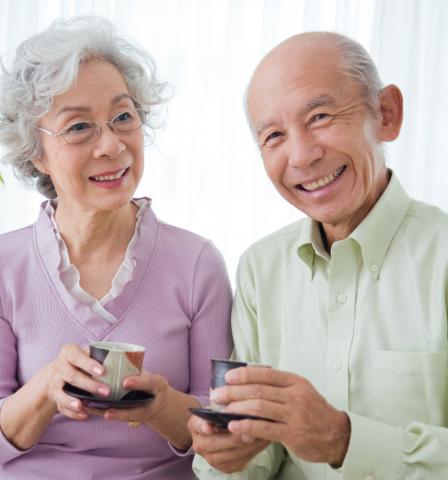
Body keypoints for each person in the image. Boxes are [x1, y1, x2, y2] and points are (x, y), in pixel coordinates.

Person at [0, 16, 232, 480]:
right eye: (78, 127)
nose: (112, 145)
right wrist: (46, 388)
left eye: (123, 117)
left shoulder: (195, 264)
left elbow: (224, 435)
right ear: (36, 151)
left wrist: (161, 405)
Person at [190, 31, 448, 479]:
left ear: (386, 114)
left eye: (321, 116)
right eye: (273, 135)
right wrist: (229, 455)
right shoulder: (259, 268)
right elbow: (258, 458)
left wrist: (343, 439)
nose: (302, 156)